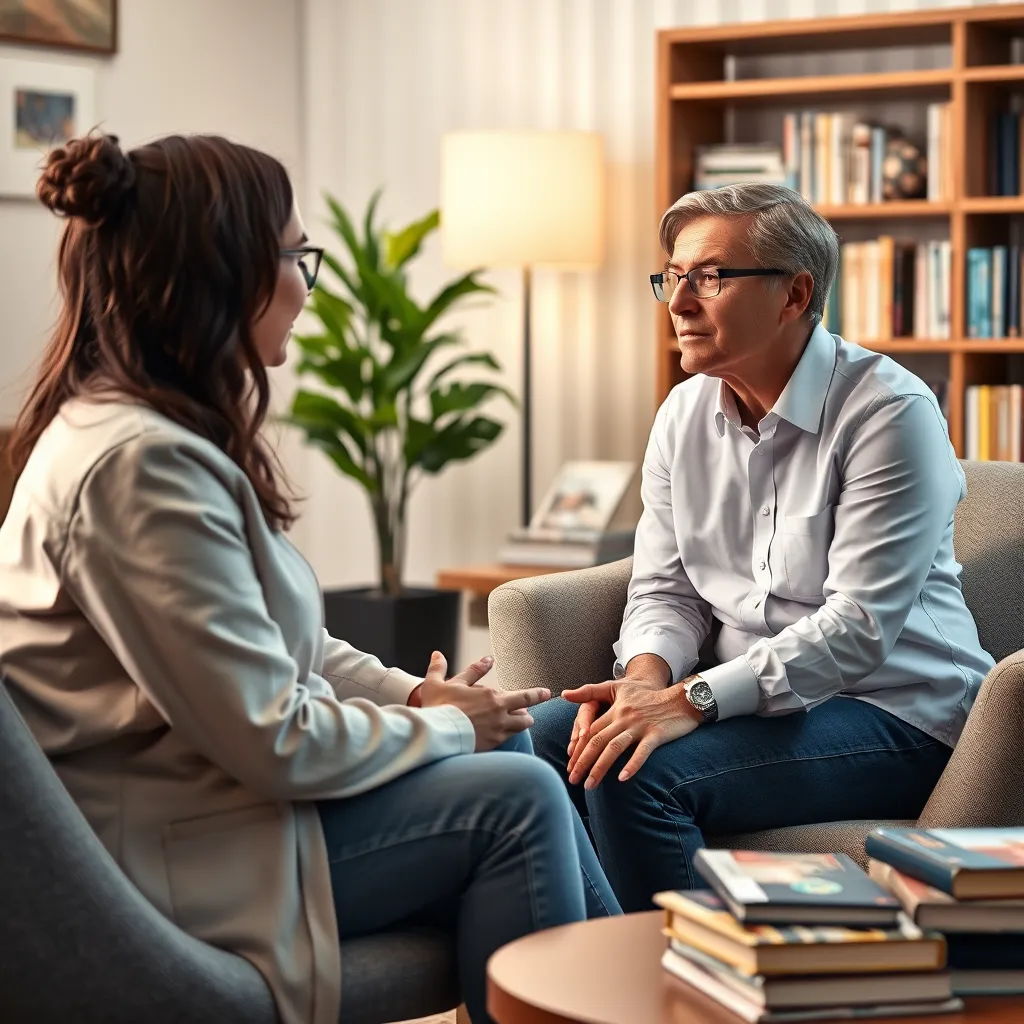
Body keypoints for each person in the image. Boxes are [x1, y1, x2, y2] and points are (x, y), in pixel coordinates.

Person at [0, 132, 619, 1024]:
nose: (304, 283)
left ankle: (612, 996)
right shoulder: (137, 471)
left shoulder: (156, 438)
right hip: (170, 849)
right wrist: (442, 730)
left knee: (513, 742)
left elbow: (292, 647)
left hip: (215, 804)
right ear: (223, 274)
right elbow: (272, 738)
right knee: (515, 801)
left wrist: (417, 697)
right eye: (295, 255)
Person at [529, 182, 995, 913]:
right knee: (532, 746)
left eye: (710, 277)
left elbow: (858, 629)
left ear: (794, 294)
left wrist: (695, 699)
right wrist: (648, 682)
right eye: (674, 278)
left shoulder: (889, 412)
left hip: (896, 710)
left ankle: (682, 998)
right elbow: (667, 590)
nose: (680, 303)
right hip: (746, 700)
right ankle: (591, 980)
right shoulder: (683, 414)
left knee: (636, 772)